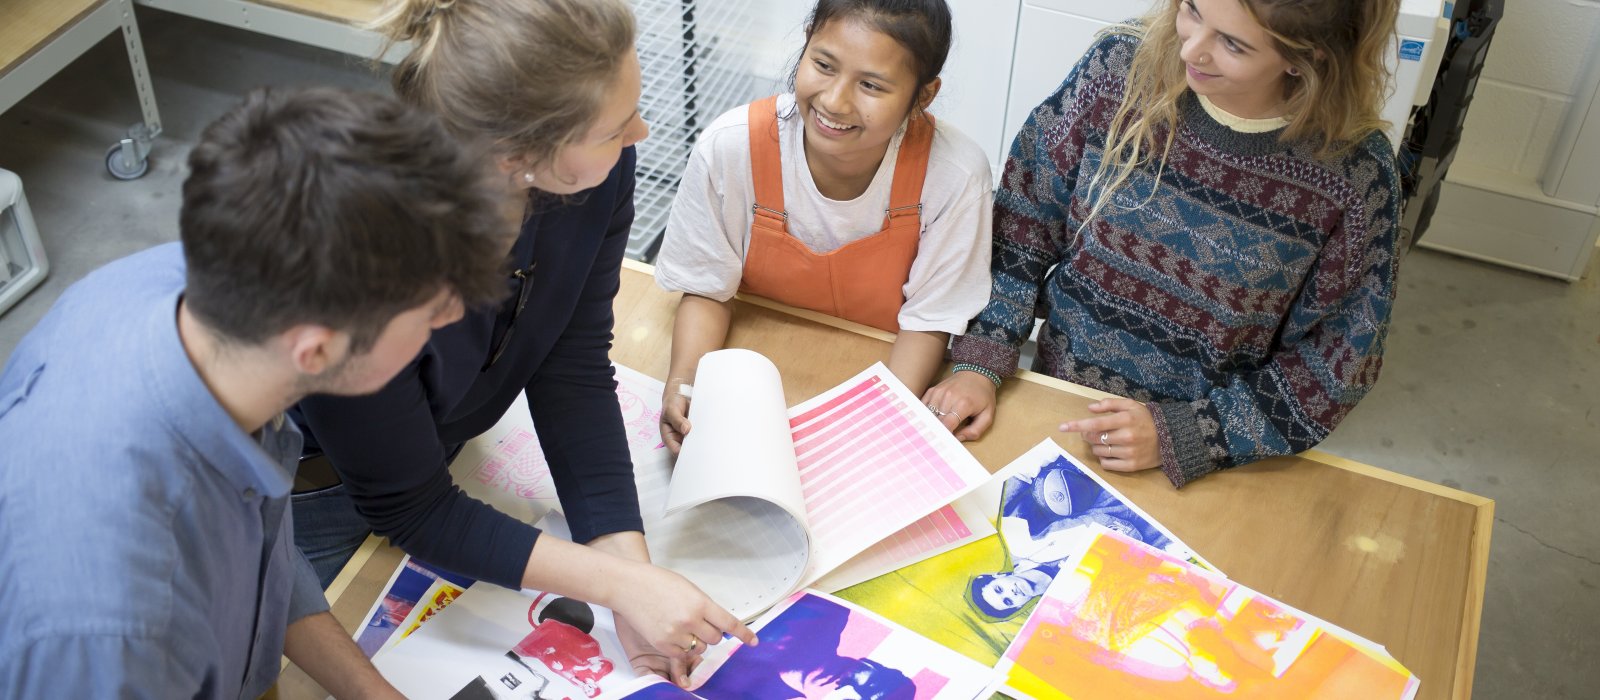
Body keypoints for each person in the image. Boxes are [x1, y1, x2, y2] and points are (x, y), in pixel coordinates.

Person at [289, 0, 754, 686]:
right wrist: (618, 585)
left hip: (439, 457)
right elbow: (408, 505)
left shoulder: (594, 173)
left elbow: (570, 366)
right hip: (317, 492)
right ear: (518, 155)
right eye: (616, 125)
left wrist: (630, 574)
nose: (642, 131)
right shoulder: (359, 257)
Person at [0, 87, 510, 698]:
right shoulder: (116, 629)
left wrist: (369, 691)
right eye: (430, 312)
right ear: (317, 350)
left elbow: (251, 553)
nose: (454, 319)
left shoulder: (213, 307)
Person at [922, 0, 1404, 488]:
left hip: (1199, 465)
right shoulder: (1119, 70)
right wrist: (980, 360)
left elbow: (1337, 362)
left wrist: (1188, 434)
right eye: (1192, 10)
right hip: (1057, 408)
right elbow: (1022, 221)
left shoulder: (1354, 174)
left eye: (1233, 43)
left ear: (1311, 57)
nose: (1191, 49)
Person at [654, 0, 993, 451]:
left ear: (924, 95)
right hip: (753, 367)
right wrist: (685, 383)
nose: (835, 101)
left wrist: (879, 425)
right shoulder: (731, 148)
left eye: (871, 85)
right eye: (823, 65)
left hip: (879, 371)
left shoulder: (954, 174)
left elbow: (928, 321)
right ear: (807, 39)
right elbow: (706, 288)